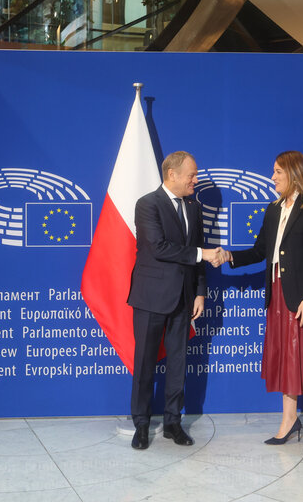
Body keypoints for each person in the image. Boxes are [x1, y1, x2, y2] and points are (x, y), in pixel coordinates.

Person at [217, 150, 303, 451]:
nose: (272, 177)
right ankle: (289, 420)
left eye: (277, 171)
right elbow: (261, 250)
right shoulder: (273, 209)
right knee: (286, 357)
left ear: (293, 172)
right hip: (277, 293)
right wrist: (230, 256)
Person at [127, 151, 222, 450]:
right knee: (144, 364)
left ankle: (172, 422)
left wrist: (200, 291)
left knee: (178, 363)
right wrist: (201, 255)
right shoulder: (147, 204)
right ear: (172, 175)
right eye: (192, 175)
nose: (196, 180)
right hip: (151, 297)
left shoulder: (193, 207)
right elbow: (158, 247)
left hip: (184, 297)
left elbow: (198, 250)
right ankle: (141, 425)